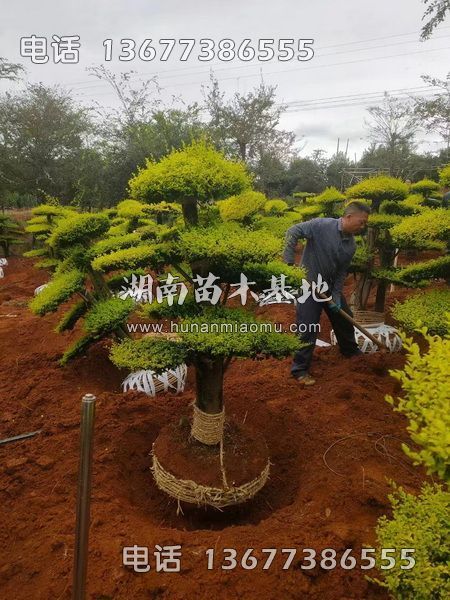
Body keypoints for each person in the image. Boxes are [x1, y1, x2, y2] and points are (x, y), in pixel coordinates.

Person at [283, 201, 371, 386]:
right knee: (307, 328)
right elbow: (293, 231)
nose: (363, 226)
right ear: (348, 217)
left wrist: (336, 297)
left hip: (328, 290)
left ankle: (350, 352)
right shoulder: (320, 226)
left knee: (345, 318)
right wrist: (289, 263)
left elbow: (341, 274)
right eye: (361, 222)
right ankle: (299, 369)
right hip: (309, 287)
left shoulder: (351, 246)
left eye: (365, 223)